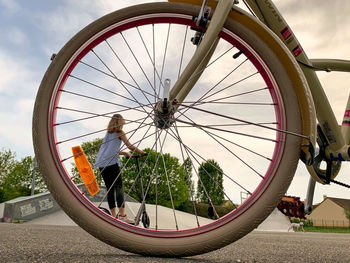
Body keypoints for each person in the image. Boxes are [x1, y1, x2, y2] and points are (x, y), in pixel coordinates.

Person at [95, 114, 146, 223]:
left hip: (101, 163)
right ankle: (123, 216)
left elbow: (112, 150)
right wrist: (141, 152)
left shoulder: (108, 134)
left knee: (110, 189)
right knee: (119, 188)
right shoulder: (120, 133)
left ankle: (114, 216)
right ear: (120, 122)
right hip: (111, 164)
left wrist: (125, 153)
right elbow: (130, 146)